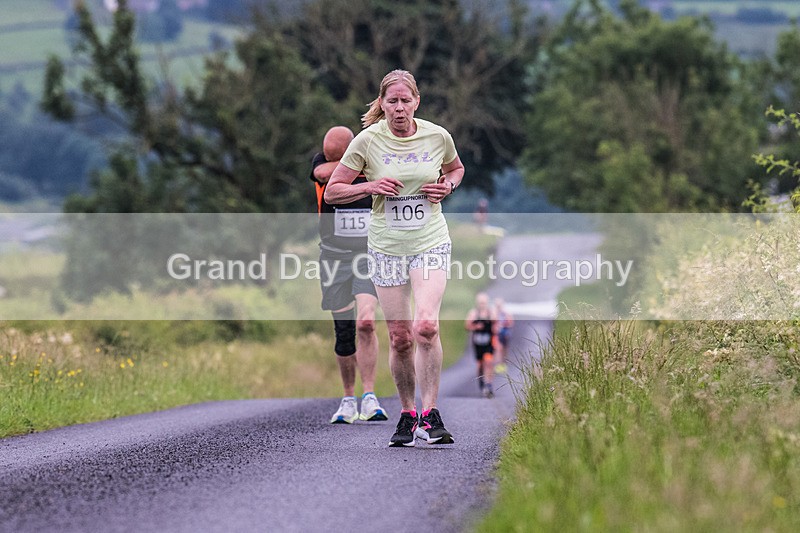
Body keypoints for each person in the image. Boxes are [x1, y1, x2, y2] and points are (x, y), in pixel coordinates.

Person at [324, 69, 465, 447]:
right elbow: (333, 191)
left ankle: (430, 414)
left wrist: (447, 186)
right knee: (400, 338)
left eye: (406, 101)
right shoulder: (368, 142)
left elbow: (455, 168)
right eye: (392, 101)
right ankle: (407, 414)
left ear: (416, 101)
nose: (399, 108)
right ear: (382, 104)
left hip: (430, 241)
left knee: (426, 327)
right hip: (386, 247)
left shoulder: (438, 136)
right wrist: (370, 186)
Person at [310, 125, 387, 424]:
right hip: (333, 257)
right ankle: (347, 398)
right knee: (344, 331)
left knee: (366, 321)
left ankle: (369, 396)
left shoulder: (371, 161)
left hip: (368, 256)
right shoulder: (321, 165)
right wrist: (363, 174)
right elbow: (323, 174)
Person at [465, 292, 498, 398]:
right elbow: (467, 326)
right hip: (478, 342)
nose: (482, 304)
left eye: (484, 302)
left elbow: (496, 323)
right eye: (480, 303)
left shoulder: (491, 312)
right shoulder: (473, 313)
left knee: (488, 361)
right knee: (480, 365)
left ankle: (489, 384)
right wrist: (476, 327)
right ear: (477, 303)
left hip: (489, 341)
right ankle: (481, 381)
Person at [493, 297, 514, 374]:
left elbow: (511, 323)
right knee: (498, 349)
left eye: (499, 305)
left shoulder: (506, 313)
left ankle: (504, 364)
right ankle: (497, 365)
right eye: (497, 305)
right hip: (497, 334)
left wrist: (505, 324)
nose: (498, 306)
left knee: (505, 349)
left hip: (505, 333)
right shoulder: (493, 313)